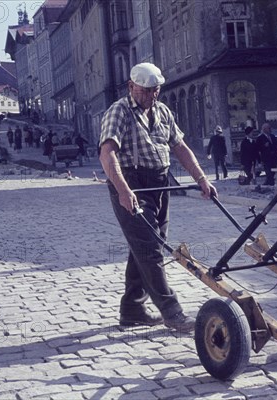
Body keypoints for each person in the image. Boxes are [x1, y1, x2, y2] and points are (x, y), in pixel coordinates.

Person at [99, 62, 216, 333]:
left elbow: (180, 146)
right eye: (145, 91)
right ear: (131, 87)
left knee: (145, 245)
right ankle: (172, 312)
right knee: (150, 248)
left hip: (160, 184)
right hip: (132, 184)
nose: (151, 96)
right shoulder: (119, 111)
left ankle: (132, 309)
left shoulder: (162, 111)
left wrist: (201, 179)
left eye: (155, 91)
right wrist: (123, 190)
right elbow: (108, 154)